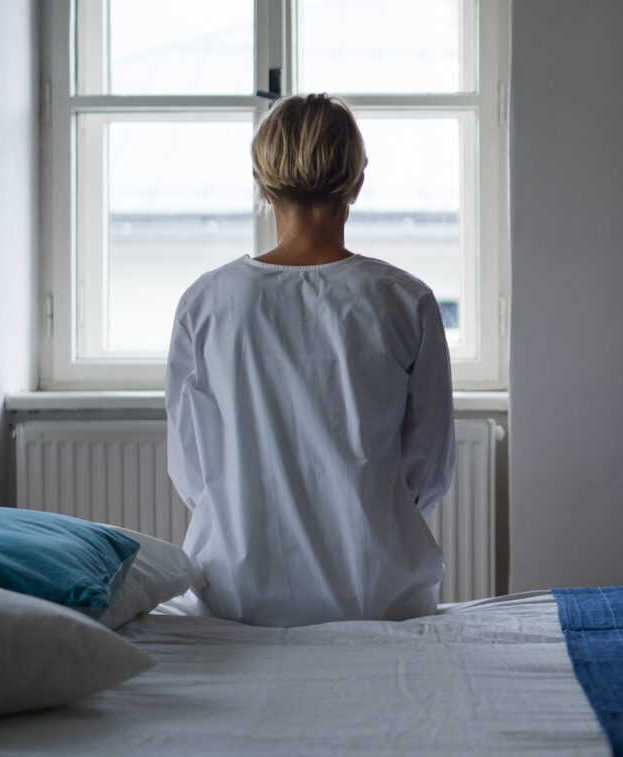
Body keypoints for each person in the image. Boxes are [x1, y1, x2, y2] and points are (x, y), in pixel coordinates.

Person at [165, 94, 454, 627]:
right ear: (358, 181)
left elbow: (192, 469)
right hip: (376, 596)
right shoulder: (405, 300)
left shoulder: (205, 303)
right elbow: (429, 467)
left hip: (236, 597)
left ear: (261, 182)